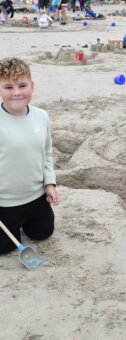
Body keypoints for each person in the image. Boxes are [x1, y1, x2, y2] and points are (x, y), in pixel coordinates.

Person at [0, 57, 60, 255]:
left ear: (32, 86)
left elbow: (47, 152)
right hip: (5, 202)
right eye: (8, 87)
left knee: (43, 233)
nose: (17, 92)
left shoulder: (41, 116)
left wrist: (49, 183)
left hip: (36, 197)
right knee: (5, 247)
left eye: (22, 85)